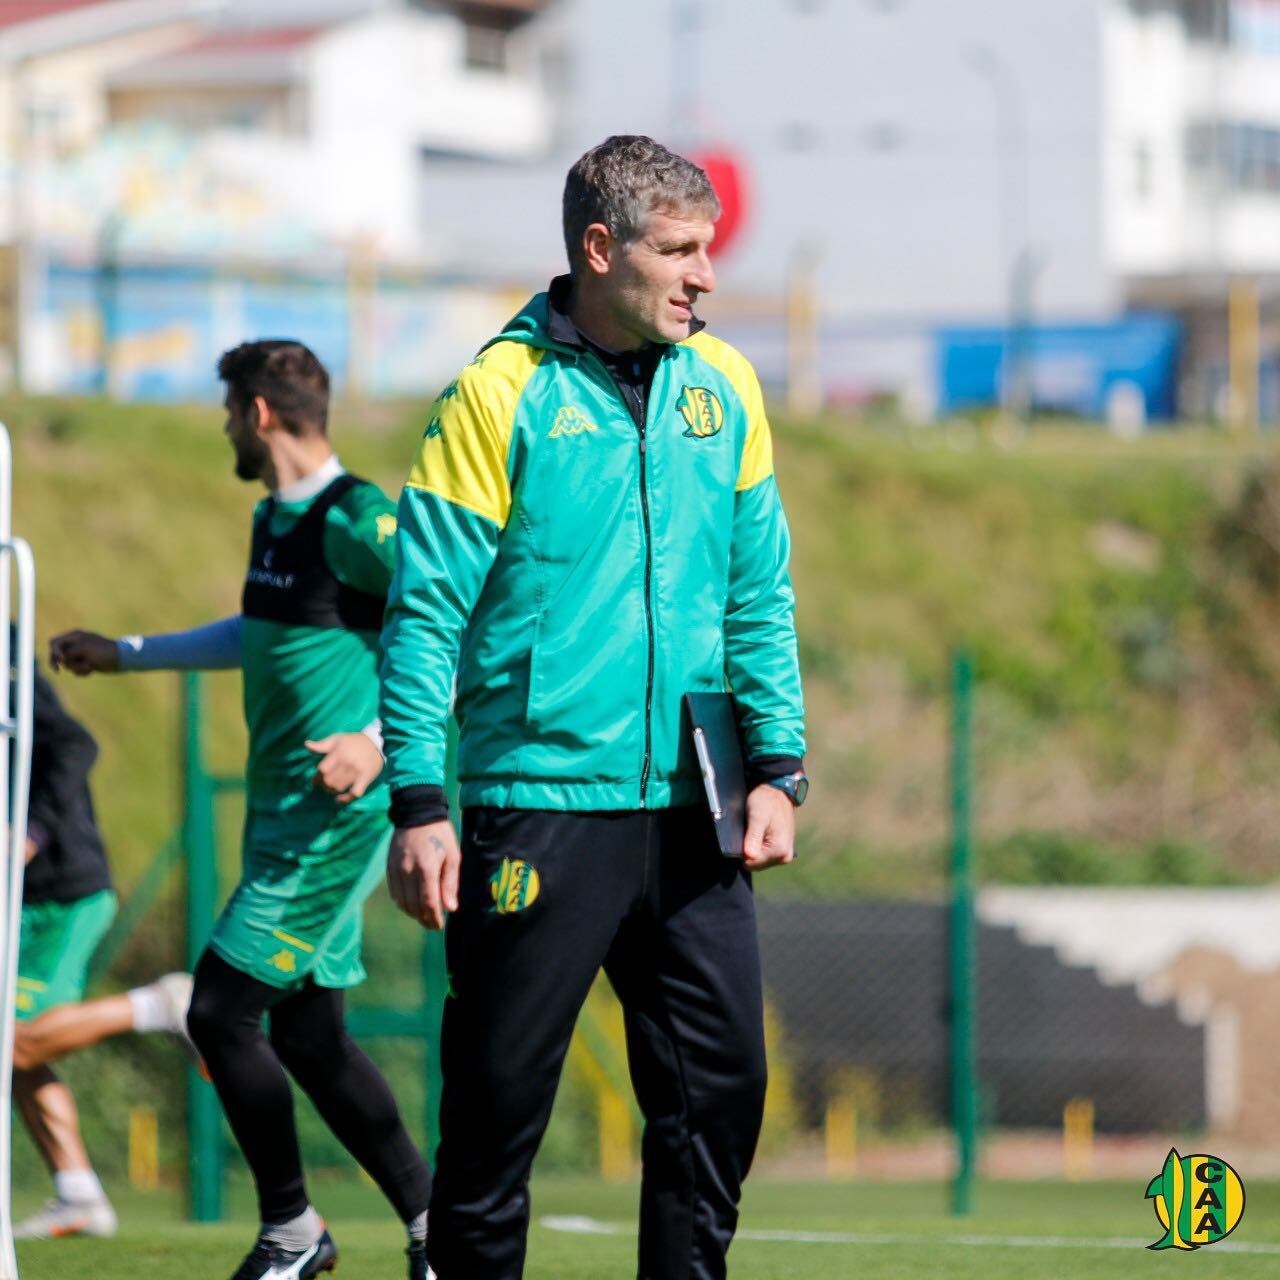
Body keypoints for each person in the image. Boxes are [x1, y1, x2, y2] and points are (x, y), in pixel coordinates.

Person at [380, 135, 809, 1280]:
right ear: (598, 247)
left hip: (692, 801)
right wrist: (419, 797)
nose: (703, 276)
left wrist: (778, 765)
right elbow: (424, 614)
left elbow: (756, 590)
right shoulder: (494, 393)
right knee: (493, 1120)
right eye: (677, 251)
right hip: (538, 808)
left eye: (706, 250)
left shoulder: (726, 386)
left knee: (720, 1094)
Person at [50, 340, 434, 1280]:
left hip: (331, 823)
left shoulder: (358, 517)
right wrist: (126, 652)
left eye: (229, 411)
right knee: (309, 1034)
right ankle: (437, 1232)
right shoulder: (275, 519)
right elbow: (255, 631)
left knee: (220, 1013)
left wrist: (377, 742)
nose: (227, 427)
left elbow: (444, 629)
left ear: (258, 414)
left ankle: (292, 1232)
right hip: (282, 817)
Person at [13, 647, 191, 1241]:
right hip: (24, 902)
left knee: (13, 1047)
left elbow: (74, 743)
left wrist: (29, 831)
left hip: (60, 895)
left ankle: (161, 1006)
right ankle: (78, 1193)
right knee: (16, 1058)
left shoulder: (7, 657)